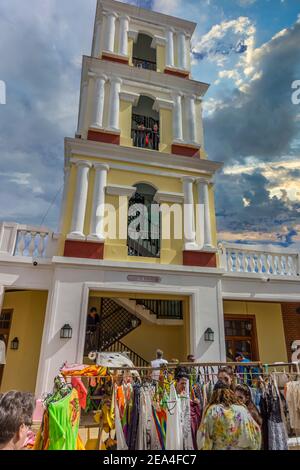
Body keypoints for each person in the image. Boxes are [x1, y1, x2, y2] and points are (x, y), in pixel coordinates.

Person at [197, 381, 261, 450]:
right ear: (230, 393)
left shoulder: (212, 411)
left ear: (214, 394)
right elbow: (256, 434)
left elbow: (203, 441)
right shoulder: (242, 409)